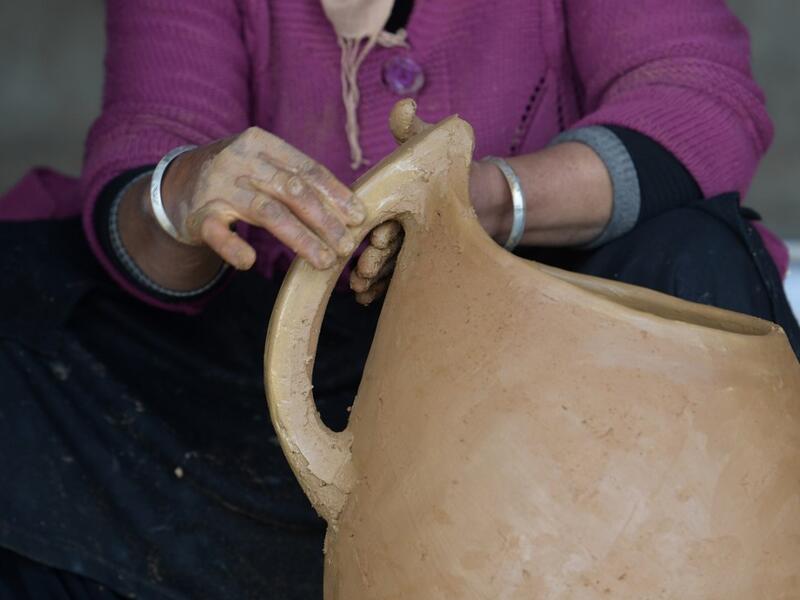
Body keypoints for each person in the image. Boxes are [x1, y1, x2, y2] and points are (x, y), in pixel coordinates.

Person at [1, 0, 798, 598]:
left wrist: (480, 202)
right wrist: (186, 195)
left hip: (543, 366)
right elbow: (150, 147)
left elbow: (698, 94)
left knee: (696, 266)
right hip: (272, 389)